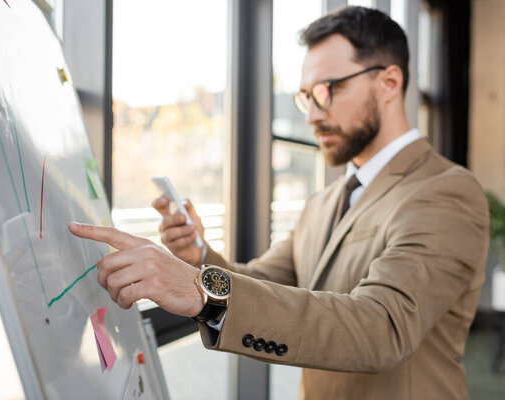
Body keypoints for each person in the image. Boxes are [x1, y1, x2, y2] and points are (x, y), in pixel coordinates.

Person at [68, 6, 489, 399]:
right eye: (306, 96)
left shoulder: (446, 192)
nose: (311, 115)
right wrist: (197, 255)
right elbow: (263, 283)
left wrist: (199, 291)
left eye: (327, 90)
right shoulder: (325, 202)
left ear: (389, 83)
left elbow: (382, 326)